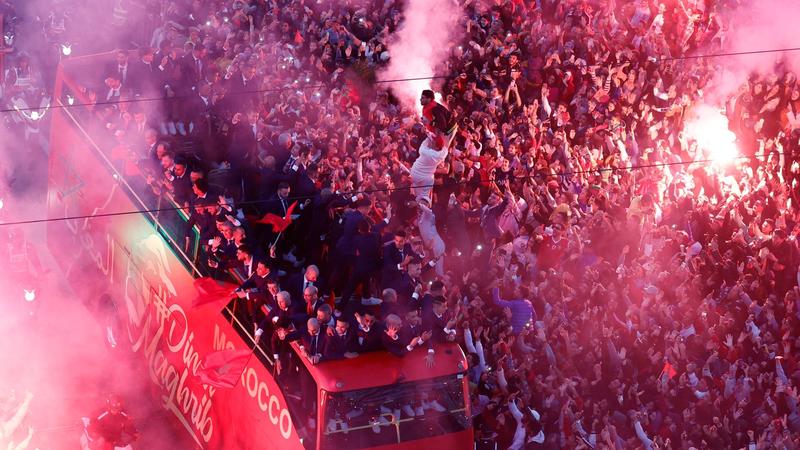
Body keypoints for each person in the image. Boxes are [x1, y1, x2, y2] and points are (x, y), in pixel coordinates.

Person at [410, 90, 456, 201]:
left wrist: (434, 136)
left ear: (429, 99)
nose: (421, 99)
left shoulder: (435, 108)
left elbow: (442, 125)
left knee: (441, 149)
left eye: (423, 98)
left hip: (447, 132)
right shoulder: (427, 107)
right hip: (438, 133)